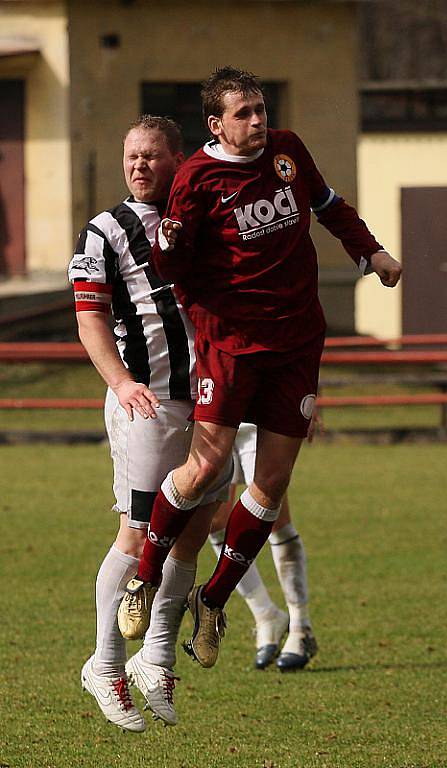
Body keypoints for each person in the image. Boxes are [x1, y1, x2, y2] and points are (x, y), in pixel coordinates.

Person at [117, 67, 402, 670]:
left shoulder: (288, 151)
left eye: (260, 108)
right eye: (243, 112)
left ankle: (214, 601)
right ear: (216, 124)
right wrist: (184, 272)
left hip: (297, 342)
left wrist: (370, 250)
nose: (258, 120)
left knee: (271, 485)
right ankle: (144, 577)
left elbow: (327, 205)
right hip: (231, 344)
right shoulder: (196, 178)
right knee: (205, 468)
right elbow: (173, 266)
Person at [69, 115, 231, 732]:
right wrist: (121, 382)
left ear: (177, 160)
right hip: (148, 403)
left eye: (151, 156)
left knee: (189, 534)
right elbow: (89, 320)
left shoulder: (198, 222)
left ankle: (156, 657)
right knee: (137, 537)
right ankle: (106, 665)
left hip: (208, 400)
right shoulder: (104, 231)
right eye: (130, 155)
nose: (138, 165)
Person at [208, 423, 316, 671]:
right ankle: (266, 615)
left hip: (259, 417)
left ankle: (301, 628)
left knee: (274, 516)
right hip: (214, 413)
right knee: (215, 521)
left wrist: (309, 400)